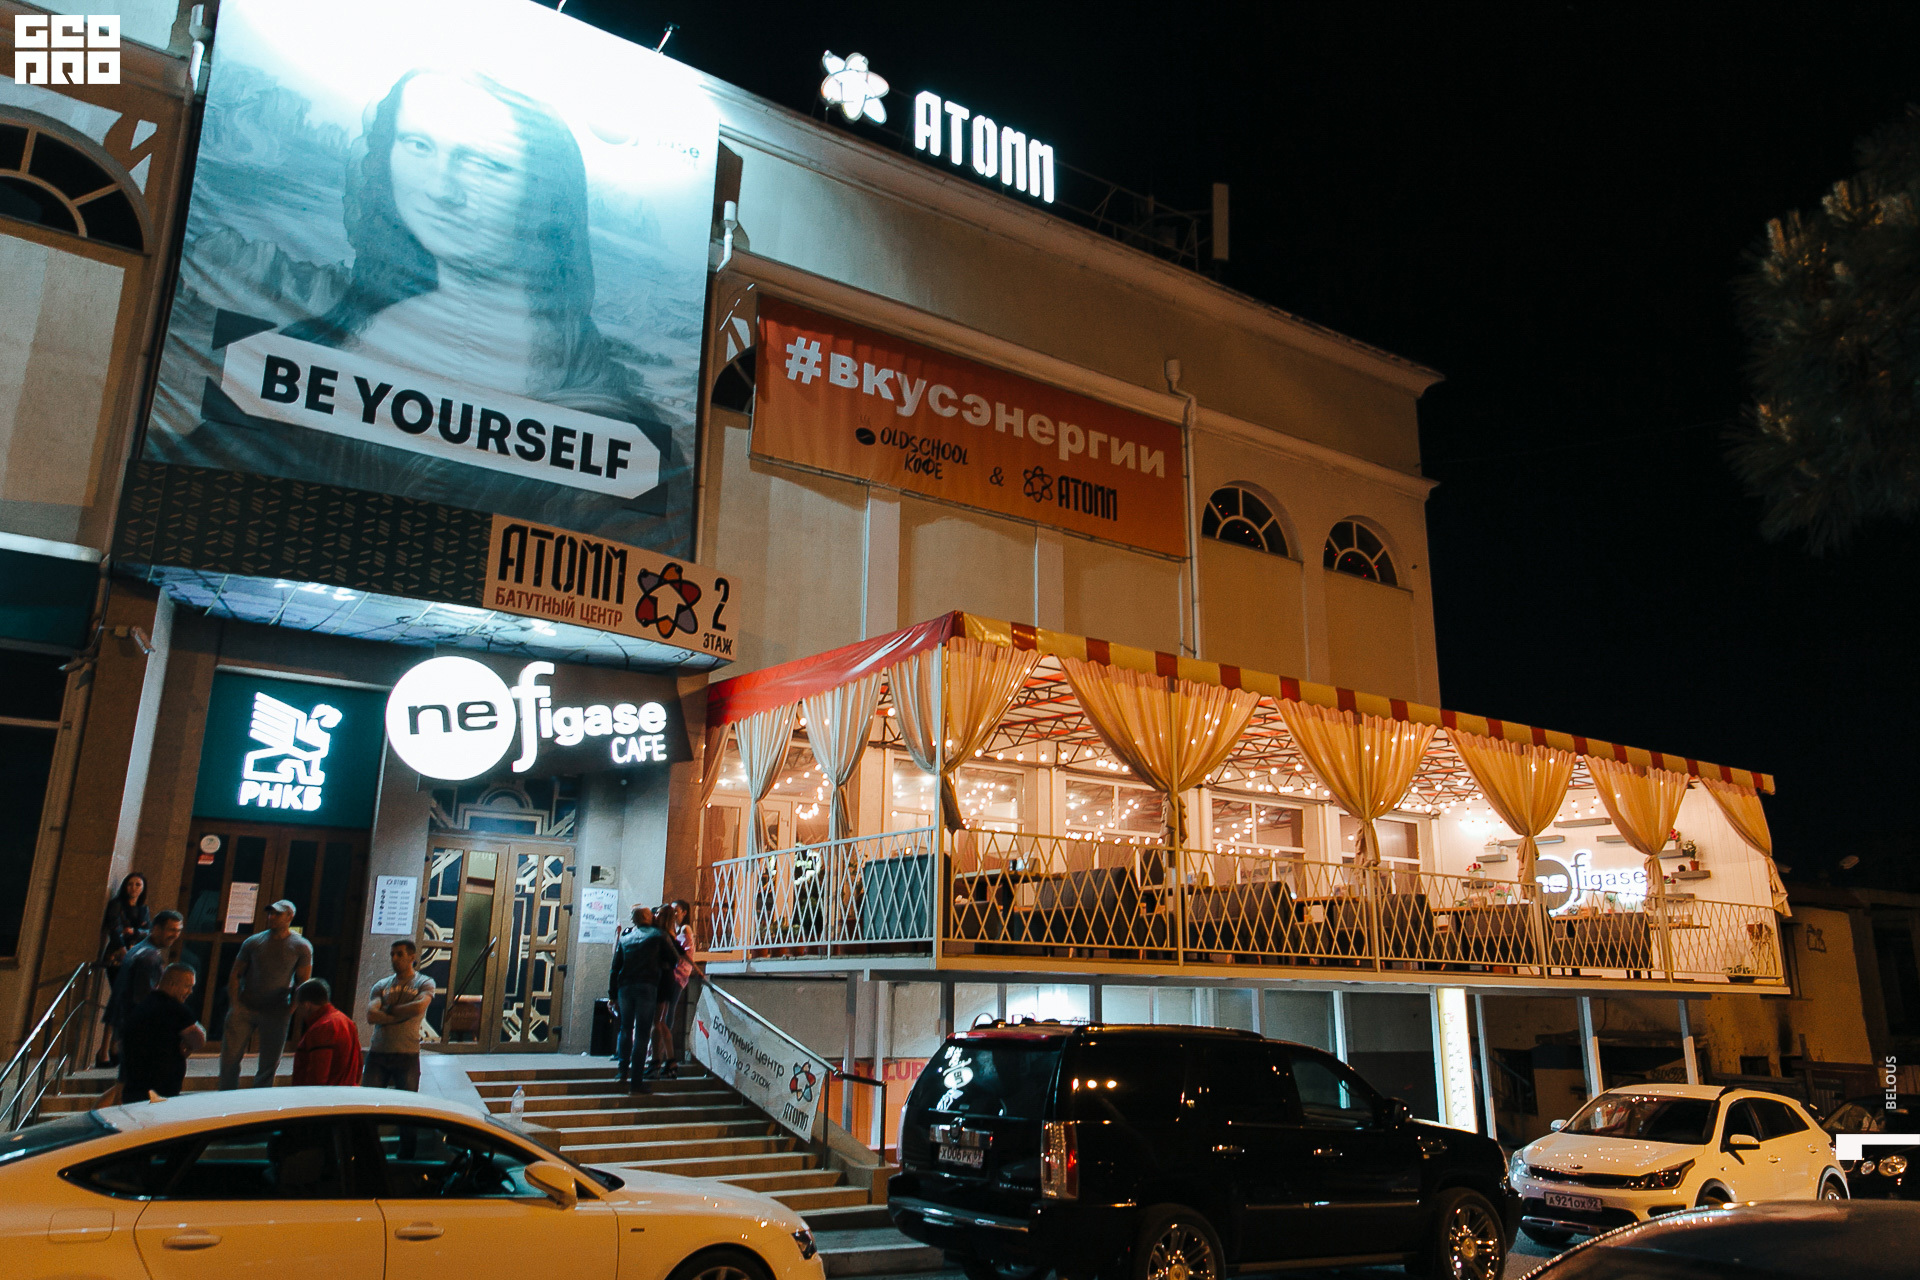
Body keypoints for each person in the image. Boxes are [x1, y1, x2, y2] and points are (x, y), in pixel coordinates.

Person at [218, 899, 313, 1089]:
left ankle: (259, 1099)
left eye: (277, 914)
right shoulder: (254, 942)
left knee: (269, 1063)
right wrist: (235, 1004)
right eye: (270, 913)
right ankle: (226, 1095)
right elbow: (236, 973)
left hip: (276, 1010)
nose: (272, 917)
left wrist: (291, 1009)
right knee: (229, 1058)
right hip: (246, 1006)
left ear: (289, 916)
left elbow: (303, 982)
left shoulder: (300, 946)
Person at [120, 963, 205, 1102]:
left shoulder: (142, 1006)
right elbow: (199, 1040)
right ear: (172, 984)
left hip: (134, 1085)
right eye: (187, 986)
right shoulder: (176, 1010)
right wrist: (189, 1045)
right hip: (160, 1090)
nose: (190, 992)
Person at [609, 905, 672, 1091]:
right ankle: (636, 1082)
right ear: (648, 918)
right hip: (647, 986)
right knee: (642, 1034)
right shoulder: (658, 936)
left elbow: (615, 968)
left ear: (634, 920)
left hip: (625, 987)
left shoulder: (626, 938)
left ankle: (622, 1072)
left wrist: (612, 995)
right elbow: (672, 960)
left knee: (625, 1028)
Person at [365, 938, 435, 1091]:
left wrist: (388, 1009)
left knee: (406, 1100)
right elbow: (371, 1015)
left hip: (407, 1053)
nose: (394, 959)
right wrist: (403, 1014)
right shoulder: (381, 985)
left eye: (399, 954)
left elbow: (418, 1007)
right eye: (392, 954)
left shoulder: (424, 983)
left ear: (412, 957)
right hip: (378, 1052)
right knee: (369, 1097)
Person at [96, 873, 151, 1067]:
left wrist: (134, 932)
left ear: (143, 888)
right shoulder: (117, 905)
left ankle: (114, 1046)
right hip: (117, 958)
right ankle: (105, 1049)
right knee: (119, 999)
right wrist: (123, 950)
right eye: (130, 884)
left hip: (135, 957)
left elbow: (148, 932)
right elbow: (114, 930)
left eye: (138, 884)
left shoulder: (143, 909)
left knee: (125, 1002)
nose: (133, 888)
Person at [105, 910, 183, 1047]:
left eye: (178, 930)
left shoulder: (138, 949)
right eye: (171, 930)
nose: (175, 935)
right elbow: (146, 999)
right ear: (156, 929)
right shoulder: (149, 958)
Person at [649, 901, 697, 1078]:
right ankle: (669, 1060)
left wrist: (693, 970)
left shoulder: (672, 933)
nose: (656, 916)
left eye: (677, 910)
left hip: (670, 977)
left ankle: (658, 1059)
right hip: (670, 977)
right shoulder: (669, 933)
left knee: (659, 1020)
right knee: (661, 1021)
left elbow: (682, 954)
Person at [289, 979, 362, 1087]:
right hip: (346, 1091)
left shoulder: (322, 1028)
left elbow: (317, 1076)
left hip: (324, 1095)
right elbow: (358, 1064)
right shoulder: (347, 1021)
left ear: (306, 1005)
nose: (298, 1011)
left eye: (299, 1006)